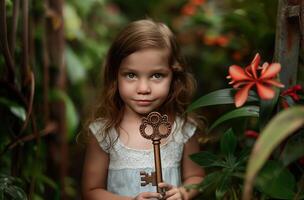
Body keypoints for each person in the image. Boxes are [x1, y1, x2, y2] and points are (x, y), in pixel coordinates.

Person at [81, 19, 204, 200]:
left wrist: (183, 193)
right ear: (115, 76)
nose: (144, 88)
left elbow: (197, 177)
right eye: (131, 75)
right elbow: (91, 191)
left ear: (174, 76)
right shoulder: (105, 133)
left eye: (157, 75)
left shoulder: (182, 129)